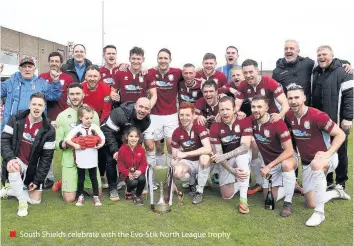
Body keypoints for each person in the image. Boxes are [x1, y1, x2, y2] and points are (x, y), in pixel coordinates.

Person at [285, 84, 349, 226]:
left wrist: (328, 153)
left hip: (327, 158)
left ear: (304, 98)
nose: (293, 101)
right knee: (310, 203)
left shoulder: (318, 116)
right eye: (290, 98)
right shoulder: (289, 116)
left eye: (297, 97)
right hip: (307, 162)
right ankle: (336, 193)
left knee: (317, 164)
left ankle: (319, 214)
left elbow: (340, 134)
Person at [236, 59, 290, 195]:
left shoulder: (269, 82)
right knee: (255, 147)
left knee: (284, 151)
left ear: (257, 70)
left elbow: (285, 103)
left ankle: (291, 181)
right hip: (258, 121)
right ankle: (260, 182)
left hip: (274, 121)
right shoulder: (243, 85)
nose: (248, 75)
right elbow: (236, 106)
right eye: (245, 72)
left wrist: (280, 115)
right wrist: (238, 112)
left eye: (251, 72)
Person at [0, 93, 56, 216]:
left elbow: (46, 159)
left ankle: (10, 191)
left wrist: (37, 180)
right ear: (29, 105)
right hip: (17, 160)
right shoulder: (15, 119)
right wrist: (9, 158)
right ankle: (22, 202)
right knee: (13, 166)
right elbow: (4, 140)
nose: (36, 107)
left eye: (40, 105)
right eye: (34, 104)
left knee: (36, 201)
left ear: (44, 107)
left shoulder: (49, 130)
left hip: (33, 167)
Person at [312, 45, 353, 191]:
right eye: (319, 55)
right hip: (320, 123)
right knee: (323, 151)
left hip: (337, 121)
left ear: (332, 56)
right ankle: (328, 181)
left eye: (324, 54)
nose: (321, 57)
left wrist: (348, 117)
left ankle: (341, 183)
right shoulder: (315, 72)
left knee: (340, 152)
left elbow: (350, 96)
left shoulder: (343, 71)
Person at [250, 95, 298, 217]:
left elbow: (289, 150)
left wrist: (269, 166)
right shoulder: (251, 120)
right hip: (270, 164)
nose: (256, 110)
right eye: (253, 107)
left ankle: (288, 202)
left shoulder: (277, 123)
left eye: (259, 107)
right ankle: (291, 186)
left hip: (286, 159)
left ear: (267, 108)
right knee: (268, 197)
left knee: (286, 165)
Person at [55, 83, 102, 203]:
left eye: (77, 93)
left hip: (89, 158)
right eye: (72, 94)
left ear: (83, 94)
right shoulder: (62, 116)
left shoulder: (93, 114)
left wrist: (96, 141)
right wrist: (68, 143)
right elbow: (56, 143)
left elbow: (99, 137)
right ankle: (64, 182)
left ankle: (81, 185)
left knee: (97, 193)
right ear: (68, 96)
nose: (75, 97)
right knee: (69, 199)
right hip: (70, 159)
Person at [101, 97, 152, 200]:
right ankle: (113, 188)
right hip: (110, 135)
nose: (143, 110)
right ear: (135, 106)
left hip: (126, 138)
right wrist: (115, 150)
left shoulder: (146, 121)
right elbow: (107, 131)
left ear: (149, 110)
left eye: (146, 108)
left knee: (133, 158)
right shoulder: (119, 113)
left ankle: (128, 182)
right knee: (111, 160)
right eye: (141, 107)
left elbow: (138, 138)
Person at [272, 40, 352, 104]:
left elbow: (326, 61)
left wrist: (344, 63)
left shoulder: (308, 63)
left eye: (292, 48)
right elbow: (275, 94)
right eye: (286, 48)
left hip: (308, 109)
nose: (288, 51)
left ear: (298, 51)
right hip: (289, 111)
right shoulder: (277, 71)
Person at [210, 96, 252, 214]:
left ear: (234, 109)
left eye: (228, 109)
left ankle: (243, 200)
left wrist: (223, 156)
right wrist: (232, 171)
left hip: (242, 154)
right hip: (227, 160)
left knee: (242, 158)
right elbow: (218, 155)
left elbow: (245, 147)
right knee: (226, 195)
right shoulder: (214, 127)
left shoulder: (244, 121)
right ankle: (244, 181)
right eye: (222, 110)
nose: (225, 112)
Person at [39, 51, 74, 189]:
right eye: (52, 61)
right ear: (49, 62)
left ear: (61, 63)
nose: (54, 63)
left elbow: (71, 97)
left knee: (67, 147)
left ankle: (71, 177)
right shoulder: (42, 77)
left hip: (64, 118)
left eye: (57, 61)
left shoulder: (67, 77)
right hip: (47, 119)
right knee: (47, 149)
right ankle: (48, 177)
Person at [1, 57, 62, 130]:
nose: (27, 69)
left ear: (34, 69)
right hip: (12, 126)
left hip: (35, 128)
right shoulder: (11, 82)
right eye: (24, 67)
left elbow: (54, 96)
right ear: (20, 69)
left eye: (30, 67)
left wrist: (55, 81)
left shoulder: (42, 83)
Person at [171, 102, 212, 204]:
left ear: (193, 116)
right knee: (177, 172)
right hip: (188, 163)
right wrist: (171, 178)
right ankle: (192, 183)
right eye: (181, 115)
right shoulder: (176, 132)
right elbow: (174, 156)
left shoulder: (199, 127)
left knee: (204, 157)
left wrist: (186, 154)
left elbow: (208, 148)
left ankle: (199, 191)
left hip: (201, 161)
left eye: (187, 115)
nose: (184, 118)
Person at [65, 104, 105, 206]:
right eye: (86, 118)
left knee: (93, 177)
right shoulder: (77, 129)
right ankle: (80, 196)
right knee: (81, 178)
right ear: (80, 118)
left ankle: (96, 196)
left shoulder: (95, 127)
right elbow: (67, 139)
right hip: (81, 158)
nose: (89, 120)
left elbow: (103, 138)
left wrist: (100, 145)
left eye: (91, 118)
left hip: (92, 157)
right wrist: (75, 145)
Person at [148, 48, 182, 168]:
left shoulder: (177, 72)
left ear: (170, 60)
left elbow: (192, 72)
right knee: (156, 146)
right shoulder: (150, 72)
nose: (163, 60)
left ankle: (170, 175)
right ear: (157, 59)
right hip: (154, 115)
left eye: (165, 58)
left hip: (171, 115)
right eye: (160, 58)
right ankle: (159, 174)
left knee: (171, 145)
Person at [116, 127, 148, 205]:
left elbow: (144, 164)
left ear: (139, 138)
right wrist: (128, 173)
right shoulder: (122, 150)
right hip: (127, 175)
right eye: (131, 136)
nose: (133, 139)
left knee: (142, 179)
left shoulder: (141, 149)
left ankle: (138, 195)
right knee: (133, 182)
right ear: (127, 137)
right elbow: (120, 165)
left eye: (136, 136)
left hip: (138, 173)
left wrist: (140, 171)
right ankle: (128, 191)